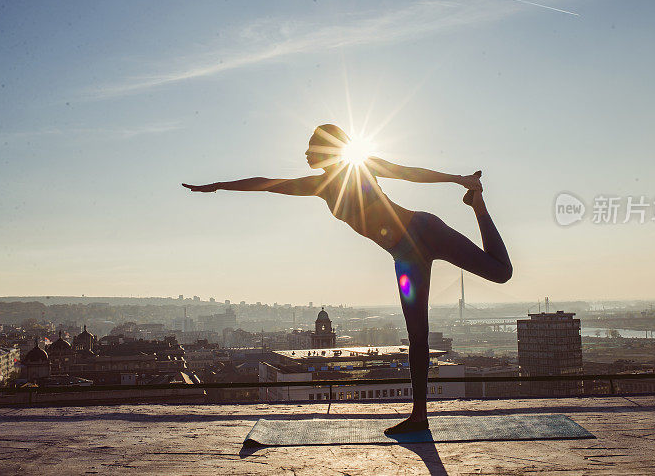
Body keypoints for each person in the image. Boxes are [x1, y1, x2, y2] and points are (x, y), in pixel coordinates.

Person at [183, 124, 512, 434]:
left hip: (425, 230)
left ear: (327, 149)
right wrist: (218, 186)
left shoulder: (361, 166)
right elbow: (267, 183)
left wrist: (460, 180)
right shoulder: (320, 186)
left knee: (501, 272)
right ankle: (419, 416)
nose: (306, 153)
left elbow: (408, 173)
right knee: (417, 336)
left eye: (311, 146)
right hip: (406, 258)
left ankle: (477, 205)